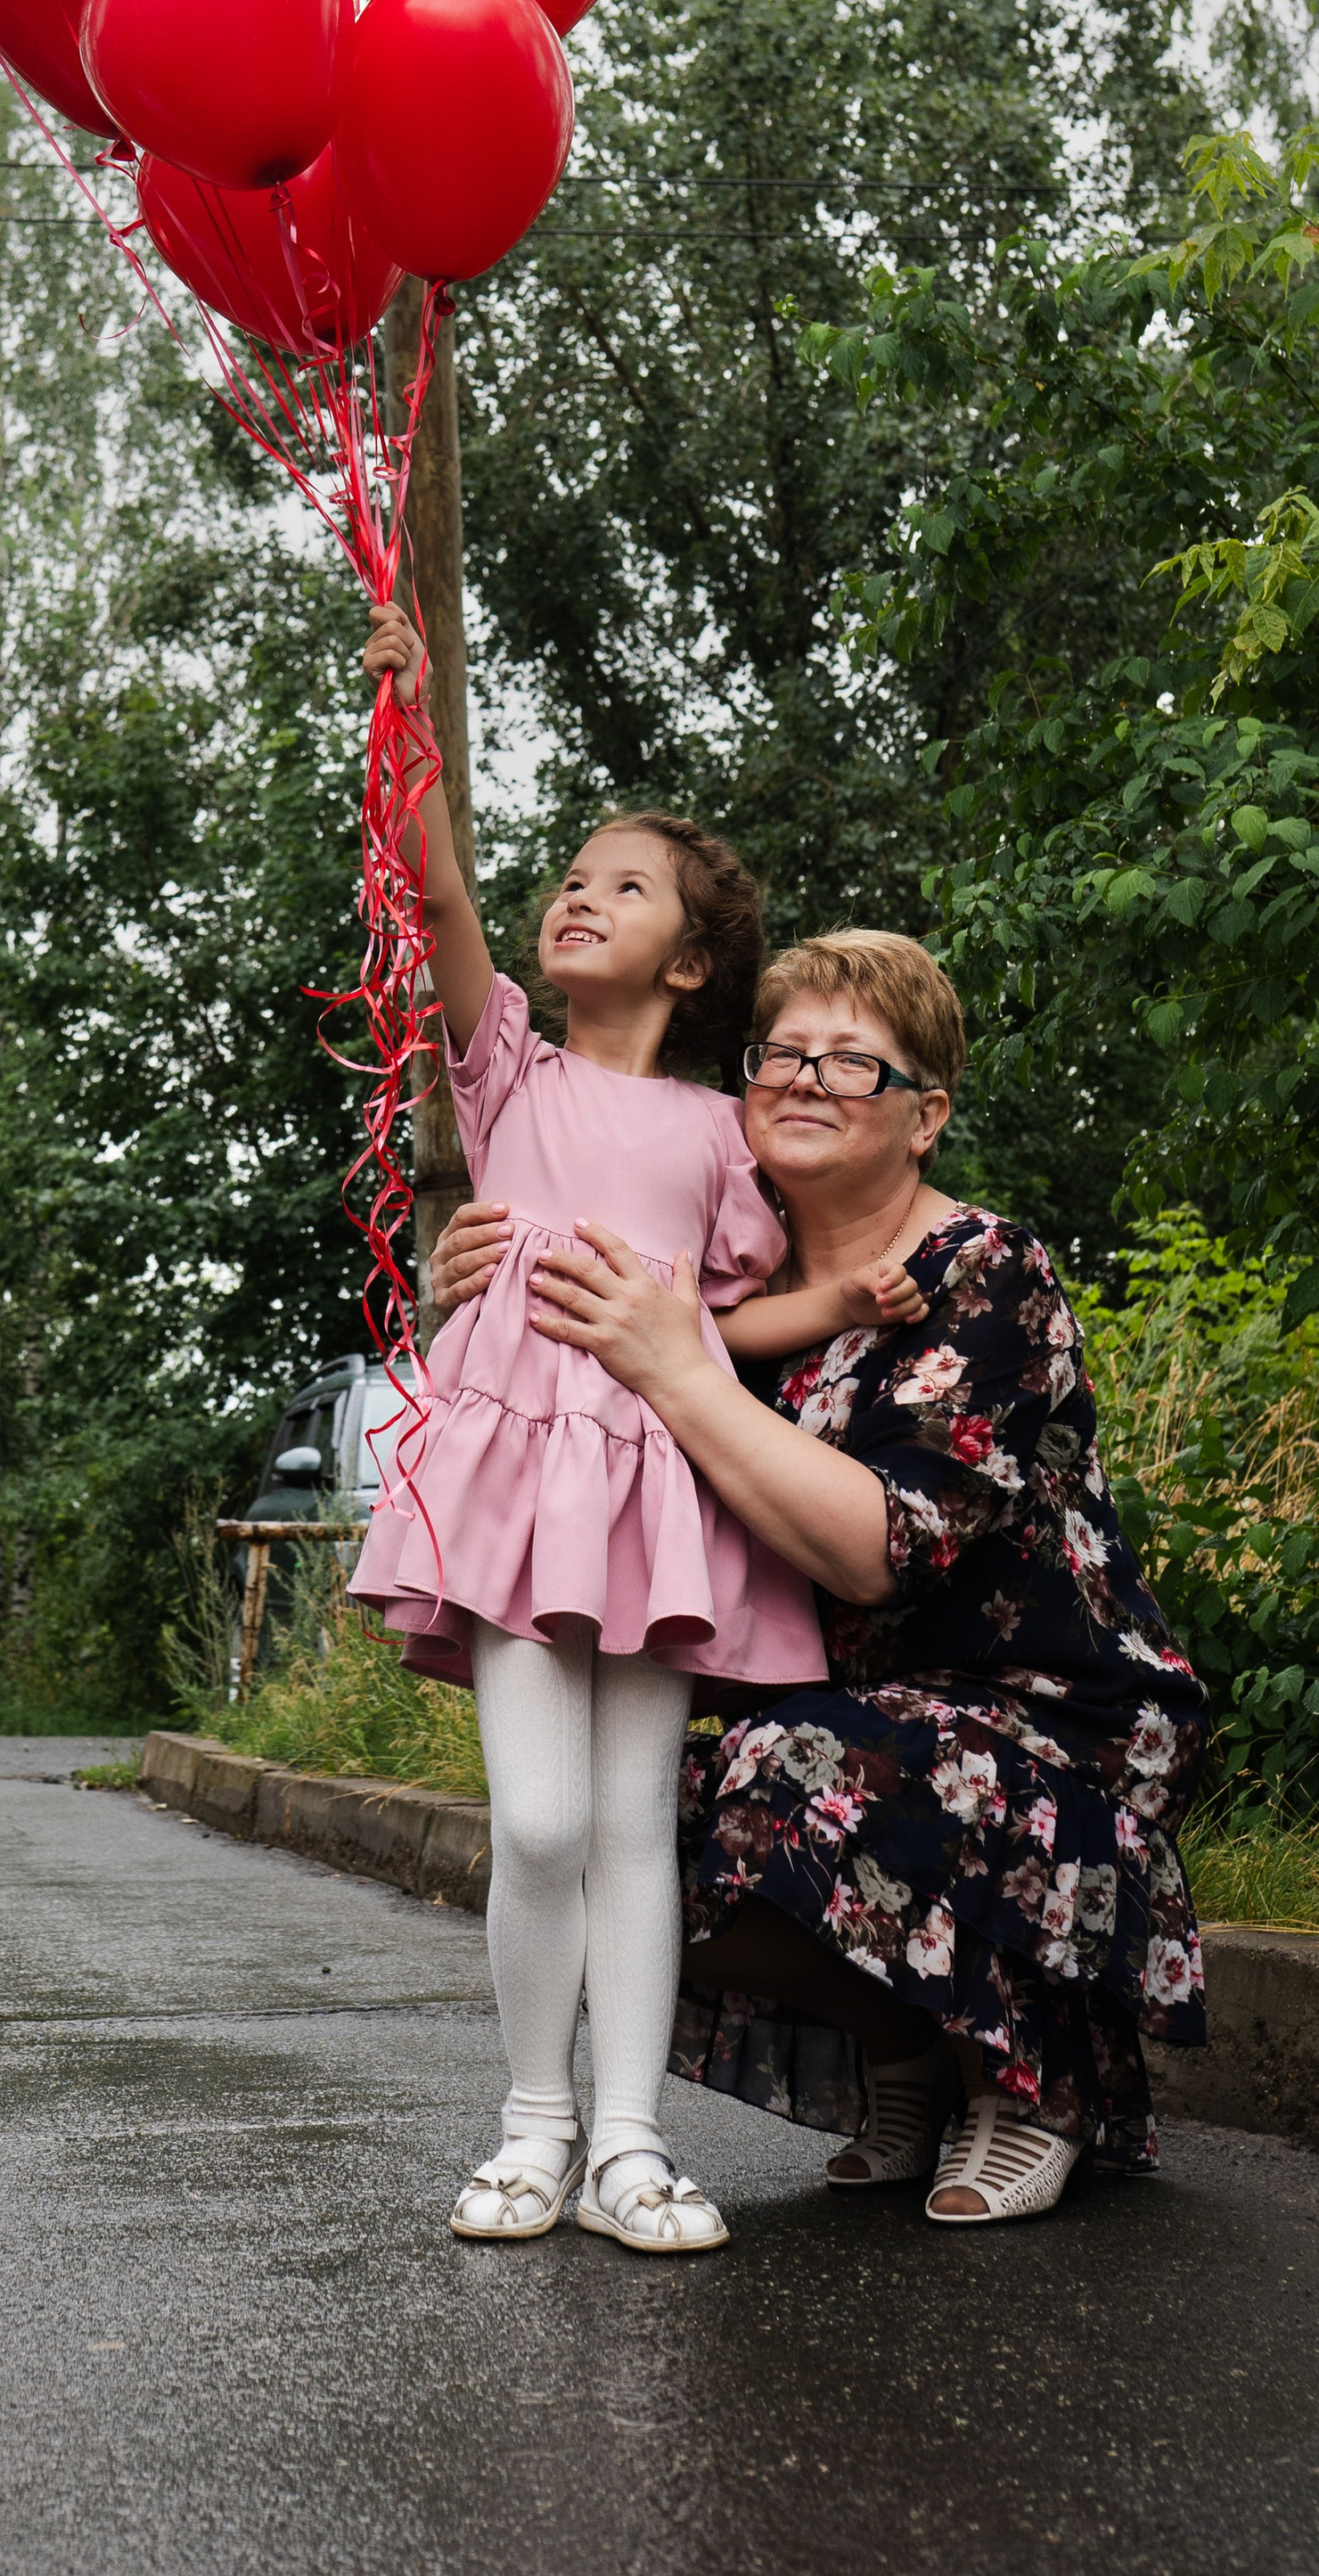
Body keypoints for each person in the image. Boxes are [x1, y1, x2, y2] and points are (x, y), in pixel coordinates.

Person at [430, 925, 1208, 2227]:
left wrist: (674, 1367)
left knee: (784, 1774)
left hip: (1038, 1716)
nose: (804, 1077)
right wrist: (478, 1286)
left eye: (852, 1062)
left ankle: (1026, 2080)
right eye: (781, 1053)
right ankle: (907, 2048)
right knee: (617, 1825)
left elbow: (876, 1548)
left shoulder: (982, 1271)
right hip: (833, 1708)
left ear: (925, 1117)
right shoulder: (726, 1287)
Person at [348, 610, 923, 2256]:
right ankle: (530, 2121)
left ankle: (626, 2145)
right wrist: (409, 730)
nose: (579, 895)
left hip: (656, 1491)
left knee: (626, 1827)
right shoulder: (509, 1070)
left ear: (687, 964)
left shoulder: (722, 1133)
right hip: (515, 1477)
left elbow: (722, 1324)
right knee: (535, 1822)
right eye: (573, 877)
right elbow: (438, 900)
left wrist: (842, 1301)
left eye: (624, 885)